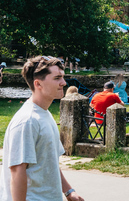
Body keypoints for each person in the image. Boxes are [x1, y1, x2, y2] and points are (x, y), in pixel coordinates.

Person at [0, 56, 84, 201]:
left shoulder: (44, 114)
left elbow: (49, 162)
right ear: (38, 84)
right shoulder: (27, 120)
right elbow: (17, 172)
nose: (63, 83)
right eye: (57, 78)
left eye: (62, 77)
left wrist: (69, 191)